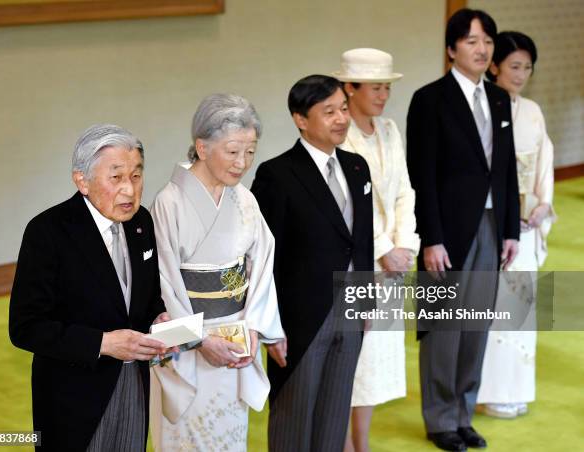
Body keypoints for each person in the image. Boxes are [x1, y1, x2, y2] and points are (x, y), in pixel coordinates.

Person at [9, 124, 171, 451]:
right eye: (116, 178)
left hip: (135, 385)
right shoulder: (48, 232)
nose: (129, 190)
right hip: (74, 398)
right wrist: (103, 343)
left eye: (136, 176)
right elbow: (25, 328)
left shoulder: (141, 222)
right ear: (82, 181)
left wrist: (159, 318)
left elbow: (148, 296)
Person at [406, 9, 520, 451]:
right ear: (452, 48)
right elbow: (423, 176)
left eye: (487, 40)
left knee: (475, 327)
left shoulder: (498, 98)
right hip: (446, 232)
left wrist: (511, 230)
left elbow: (505, 170)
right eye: (472, 40)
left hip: (492, 226)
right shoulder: (429, 99)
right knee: (443, 328)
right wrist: (430, 238)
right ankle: (439, 420)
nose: (482, 48)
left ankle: (462, 414)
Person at [149, 94, 284, 451]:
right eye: (233, 151)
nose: (243, 163)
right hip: (191, 339)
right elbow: (161, 284)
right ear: (202, 147)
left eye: (250, 152)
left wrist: (255, 326)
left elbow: (262, 264)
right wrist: (198, 340)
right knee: (186, 436)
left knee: (228, 436)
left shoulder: (244, 200)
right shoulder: (169, 202)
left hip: (235, 335)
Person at [251, 75, 374, 452]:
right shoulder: (277, 175)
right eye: (328, 112)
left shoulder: (357, 167)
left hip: (351, 306)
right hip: (301, 317)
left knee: (335, 410)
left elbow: (363, 239)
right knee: (294, 413)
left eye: (342, 109)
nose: (341, 119)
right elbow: (263, 258)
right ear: (300, 119)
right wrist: (270, 325)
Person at [333, 48, 420, 452]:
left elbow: (404, 189)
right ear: (349, 88)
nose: (383, 95)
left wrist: (404, 244)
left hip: (392, 262)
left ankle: (360, 442)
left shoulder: (388, 129)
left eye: (387, 87)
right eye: (375, 87)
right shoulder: (338, 133)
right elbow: (349, 204)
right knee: (352, 353)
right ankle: (344, 442)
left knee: (375, 360)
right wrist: (383, 248)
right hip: (357, 260)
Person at [476, 31, 555, 419]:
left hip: (525, 224)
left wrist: (543, 205)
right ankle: (482, 389)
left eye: (527, 67)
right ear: (494, 67)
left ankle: (514, 388)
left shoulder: (533, 112)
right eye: (514, 66)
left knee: (520, 308)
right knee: (489, 307)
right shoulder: (484, 108)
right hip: (491, 219)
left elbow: (544, 164)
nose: (521, 74)